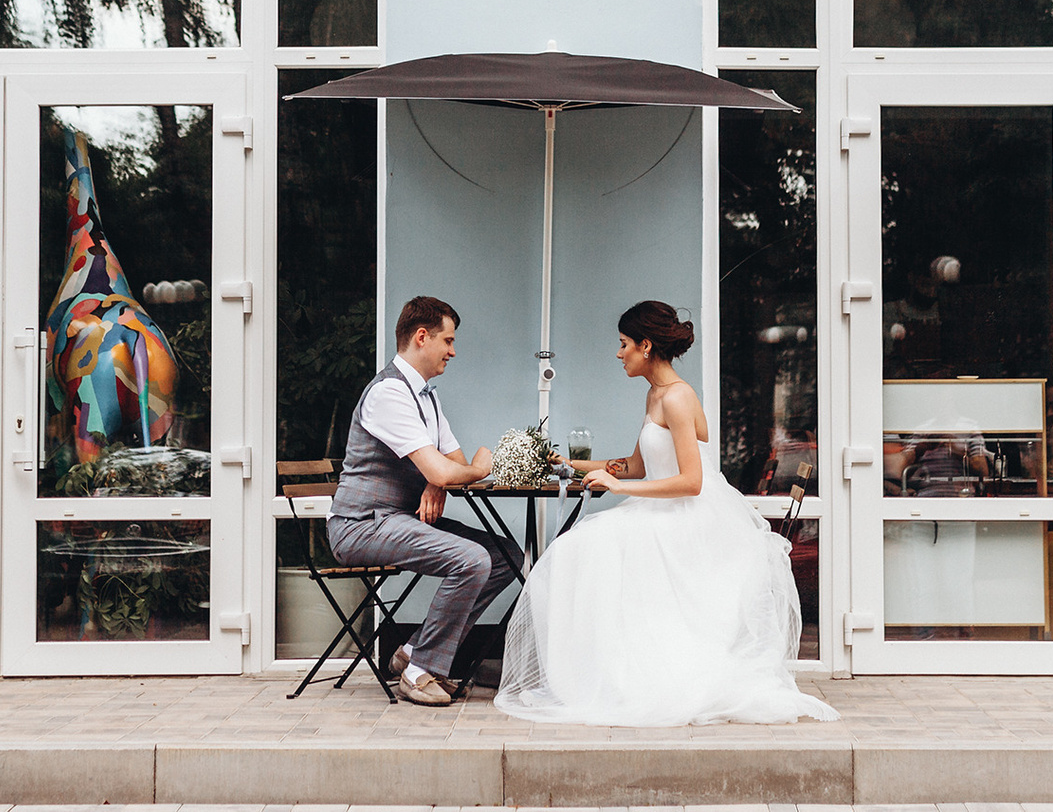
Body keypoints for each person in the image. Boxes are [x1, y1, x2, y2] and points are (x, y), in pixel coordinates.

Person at [494, 301, 840, 728]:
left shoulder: (678, 397)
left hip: (684, 516)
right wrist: (566, 463)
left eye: (623, 345)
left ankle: (624, 681)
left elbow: (691, 481)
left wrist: (620, 487)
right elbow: (636, 466)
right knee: (573, 554)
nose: (618, 353)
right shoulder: (654, 394)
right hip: (656, 507)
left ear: (646, 345)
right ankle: (604, 675)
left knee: (583, 551)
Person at [324, 295, 523, 707]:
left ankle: (414, 651)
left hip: (399, 519)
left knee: (505, 556)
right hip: (362, 524)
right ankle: (418, 674)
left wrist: (438, 482)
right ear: (421, 337)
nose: (453, 351)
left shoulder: (427, 397)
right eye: (447, 341)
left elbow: (451, 466)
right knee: (470, 559)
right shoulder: (389, 394)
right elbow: (460, 468)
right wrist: (474, 469)